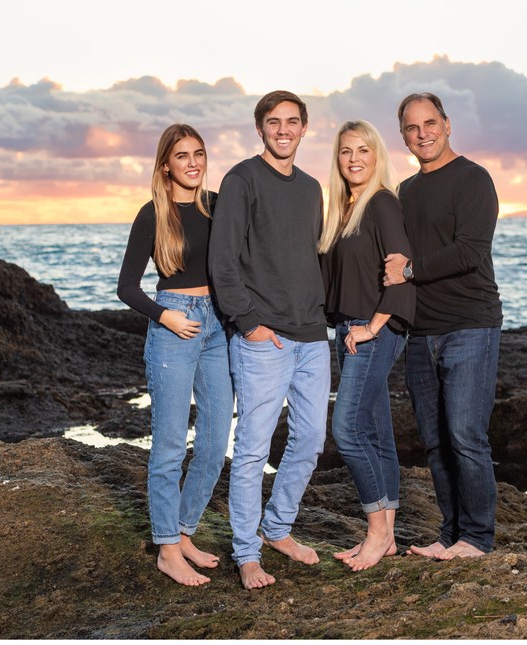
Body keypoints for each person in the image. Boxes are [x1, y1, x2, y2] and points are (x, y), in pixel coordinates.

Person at [208, 90, 330, 589]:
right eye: (274, 122)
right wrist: (249, 323)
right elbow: (223, 262)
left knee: (312, 439)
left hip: (312, 335)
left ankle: (278, 528)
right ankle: (246, 552)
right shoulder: (241, 180)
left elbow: (313, 258)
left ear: (304, 129)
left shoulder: (312, 188)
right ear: (260, 128)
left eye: (293, 122)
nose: (284, 130)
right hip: (264, 339)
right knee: (254, 448)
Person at [384, 93, 503, 559]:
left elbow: (471, 251)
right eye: (412, 128)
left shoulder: (473, 179)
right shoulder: (407, 191)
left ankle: (477, 538)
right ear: (403, 136)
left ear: (448, 125)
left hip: (470, 325)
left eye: (430, 123)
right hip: (421, 331)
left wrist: (410, 271)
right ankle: (450, 534)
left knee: (466, 436)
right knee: (435, 442)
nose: (423, 134)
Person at [117, 124, 233, 586]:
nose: (192, 163)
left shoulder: (217, 205)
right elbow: (126, 287)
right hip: (174, 327)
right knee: (168, 445)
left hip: (218, 326)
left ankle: (184, 532)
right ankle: (167, 548)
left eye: (199, 154)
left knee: (214, 438)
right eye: (182, 156)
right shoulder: (152, 214)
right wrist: (164, 316)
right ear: (166, 164)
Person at [319, 120, 415, 571]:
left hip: (371, 331)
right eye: (345, 151)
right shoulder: (343, 209)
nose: (354, 159)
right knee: (377, 433)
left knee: (347, 431)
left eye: (363, 150)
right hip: (348, 330)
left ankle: (376, 532)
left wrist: (373, 328)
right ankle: (387, 536)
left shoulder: (382, 202)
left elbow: (400, 269)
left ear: (377, 156)